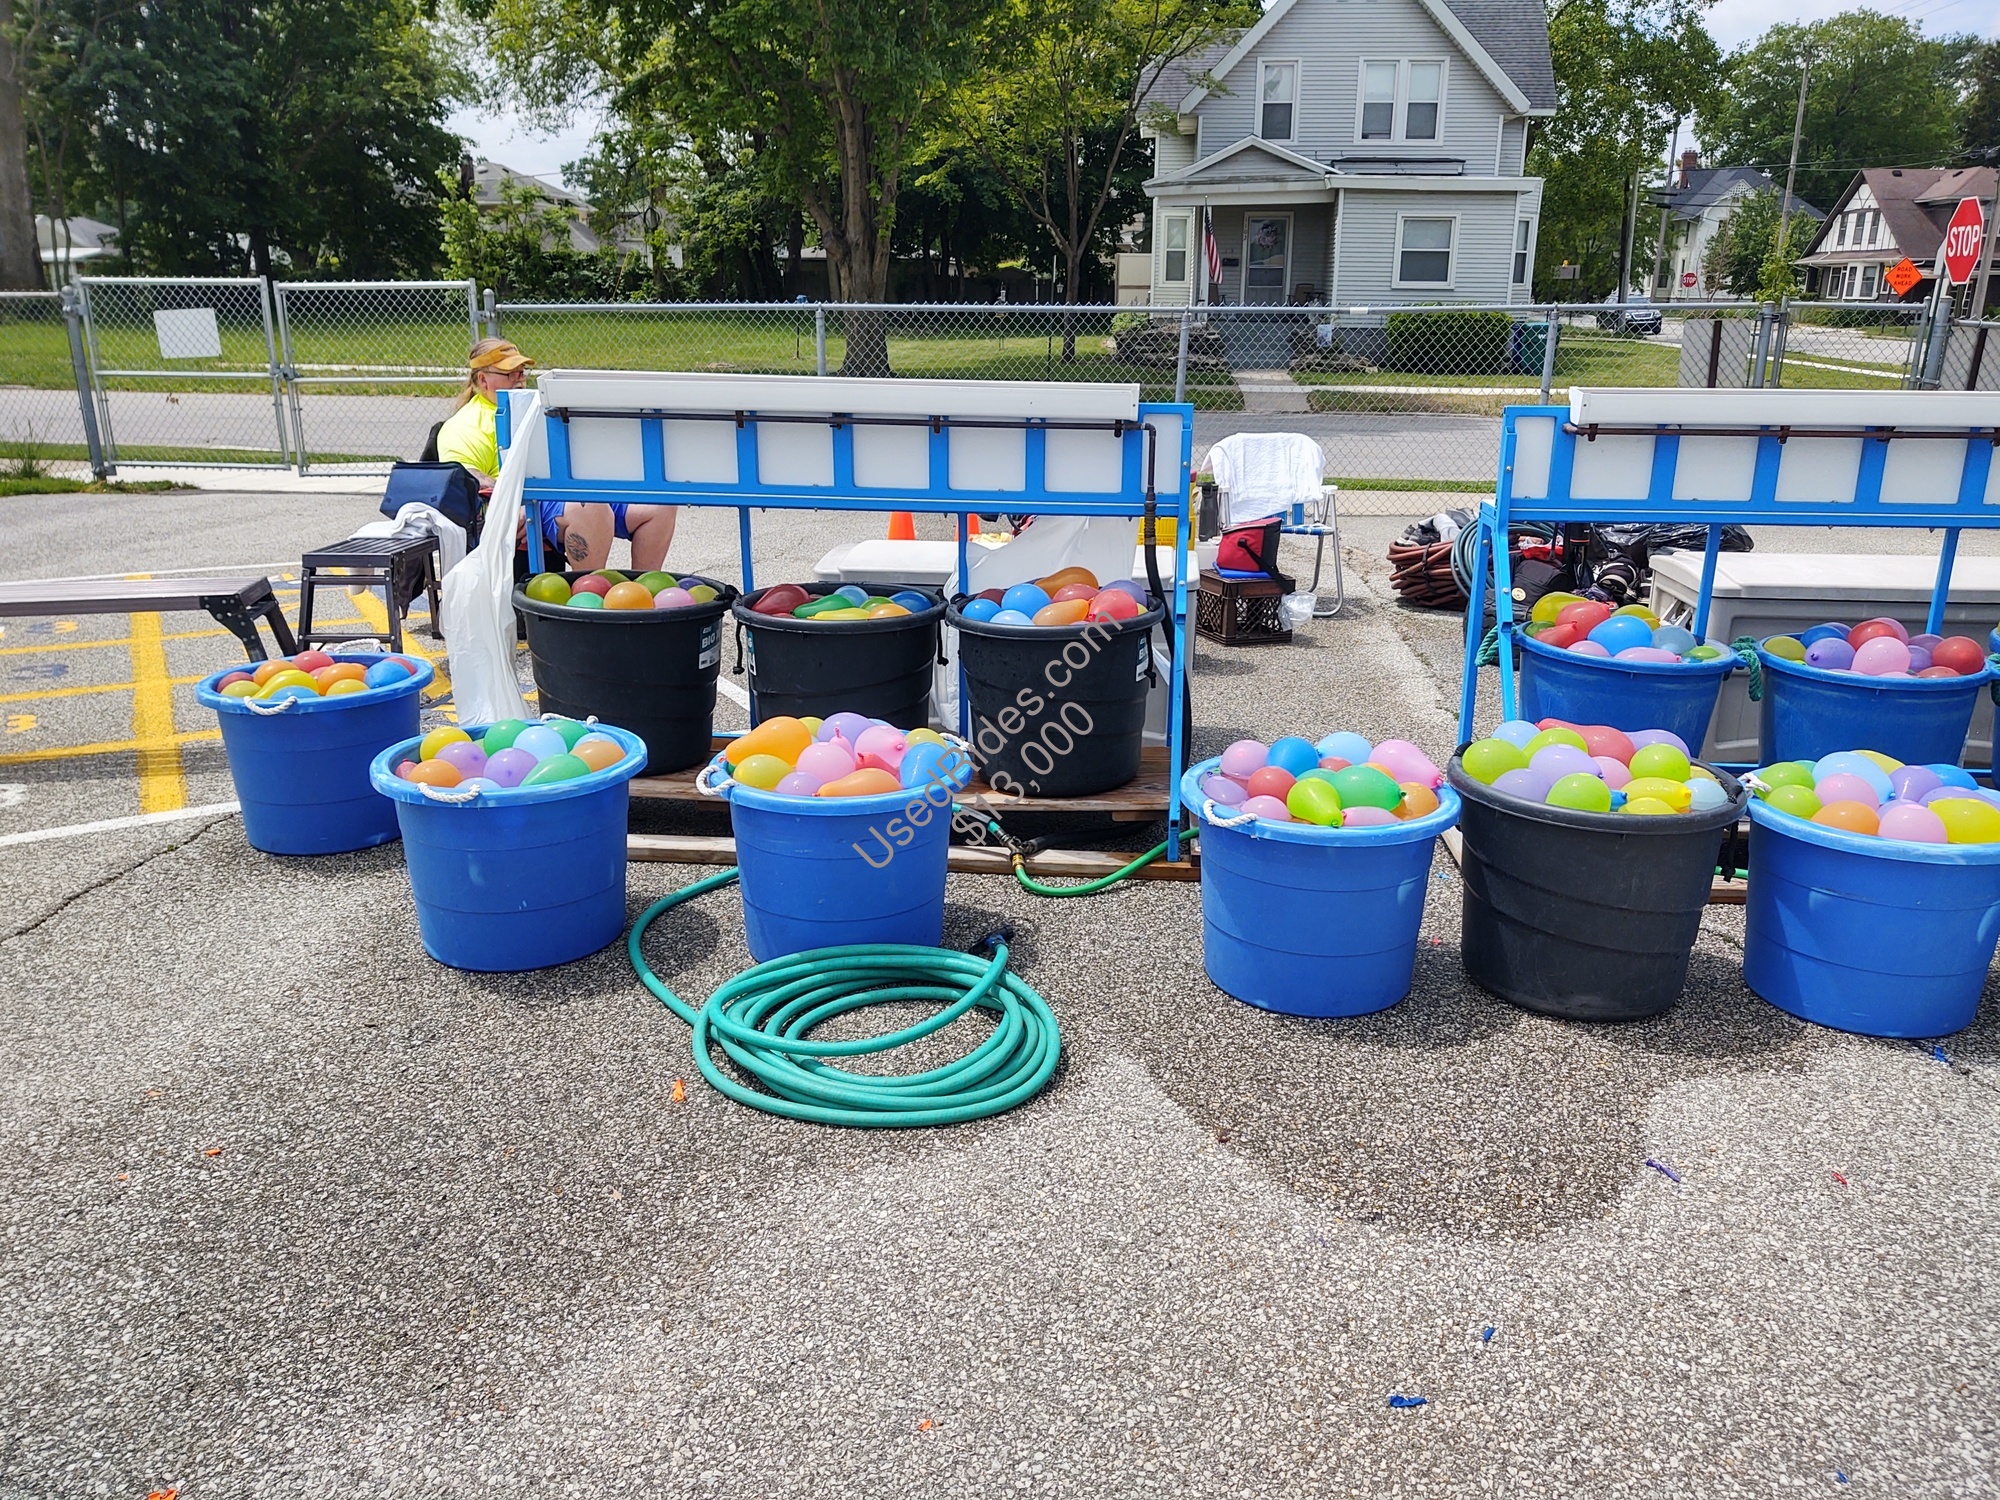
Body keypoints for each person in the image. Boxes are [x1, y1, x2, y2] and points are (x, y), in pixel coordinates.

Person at [435, 337, 678, 571]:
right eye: (509, 373)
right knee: (590, 507)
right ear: (483, 379)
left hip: (563, 488)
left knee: (659, 504)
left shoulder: (535, 406)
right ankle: (588, 595)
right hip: (523, 502)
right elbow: (464, 478)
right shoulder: (466, 424)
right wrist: (515, 503)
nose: (519, 379)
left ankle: (644, 591)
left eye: (521, 372)